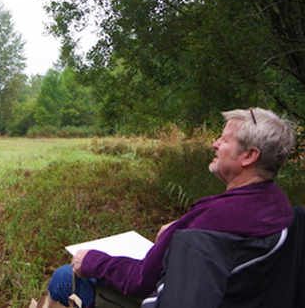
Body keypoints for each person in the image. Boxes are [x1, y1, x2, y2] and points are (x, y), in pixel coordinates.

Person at [47, 107, 296, 308]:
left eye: (225, 139)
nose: (214, 144)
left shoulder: (214, 219)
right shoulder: (276, 204)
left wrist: (92, 261)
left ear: (248, 156)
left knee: (63, 277)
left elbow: (141, 281)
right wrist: (177, 230)